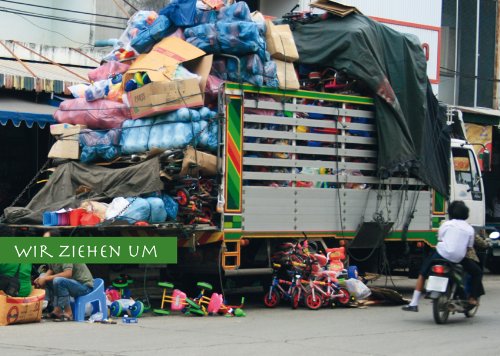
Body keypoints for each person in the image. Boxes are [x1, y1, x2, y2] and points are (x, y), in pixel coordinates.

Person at [402, 200, 479, 312]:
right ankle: (472, 297)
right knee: (477, 272)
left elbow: (440, 239)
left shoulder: (446, 224)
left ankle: (413, 303)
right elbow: (469, 247)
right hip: (458, 258)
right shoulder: (469, 229)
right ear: (466, 214)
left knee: (423, 273)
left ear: (450, 212)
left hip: (441, 254)